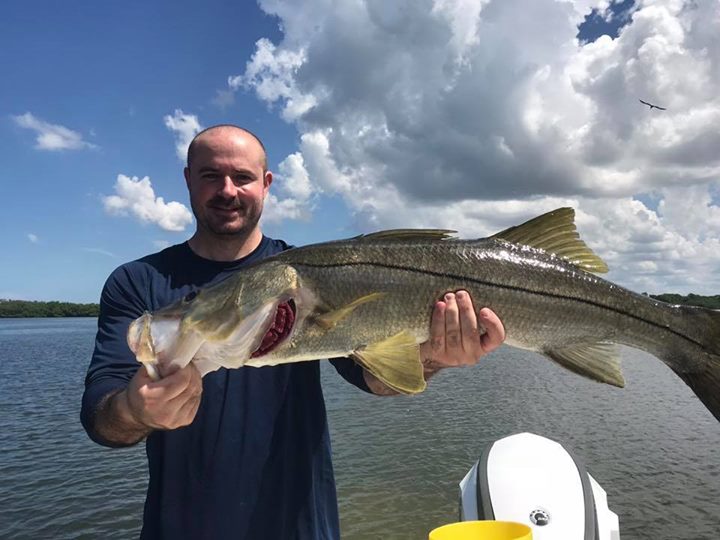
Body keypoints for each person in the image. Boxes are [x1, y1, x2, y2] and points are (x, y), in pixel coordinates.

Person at [81, 124, 505, 539]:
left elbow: (371, 378)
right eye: (211, 176)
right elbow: (101, 416)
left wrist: (433, 357)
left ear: (266, 184)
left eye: (242, 177)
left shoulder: (309, 274)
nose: (227, 190)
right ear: (189, 180)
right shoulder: (137, 282)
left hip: (302, 525)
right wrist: (135, 411)